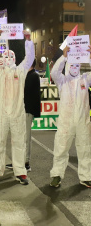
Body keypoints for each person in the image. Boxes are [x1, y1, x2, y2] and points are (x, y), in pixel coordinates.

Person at [0, 29, 35, 186]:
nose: (7, 58)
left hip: (17, 112)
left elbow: (29, 59)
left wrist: (27, 40)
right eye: (5, 55)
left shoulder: (20, 71)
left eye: (10, 56)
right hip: (1, 112)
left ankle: (20, 172)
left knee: (19, 142)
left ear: (14, 58)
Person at [49, 45, 91, 188]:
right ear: (67, 65)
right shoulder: (62, 81)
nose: (74, 67)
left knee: (85, 148)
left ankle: (86, 177)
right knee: (61, 147)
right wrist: (64, 56)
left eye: (77, 65)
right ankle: (56, 175)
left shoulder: (85, 79)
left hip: (82, 121)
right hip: (66, 121)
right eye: (72, 64)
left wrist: (90, 57)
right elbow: (54, 72)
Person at [6, 58, 41, 172]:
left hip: (27, 110)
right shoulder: (28, 75)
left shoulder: (33, 76)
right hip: (22, 110)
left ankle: (26, 162)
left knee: (25, 137)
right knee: (18, 137)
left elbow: (24, 90)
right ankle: (18, 161)